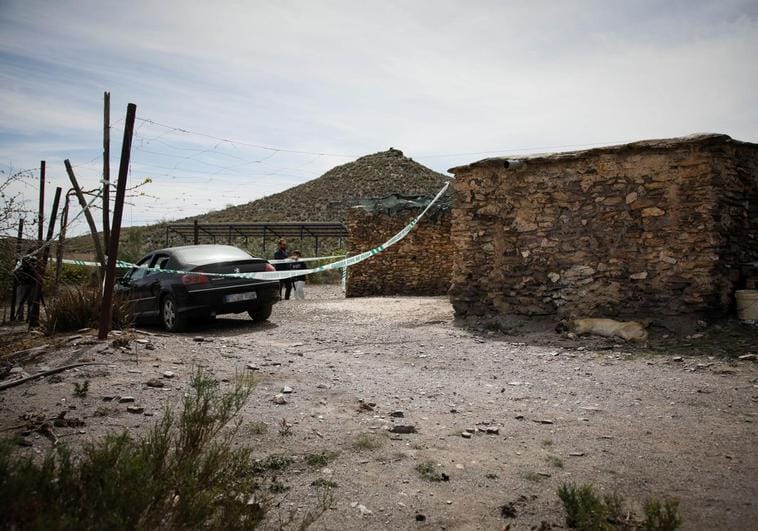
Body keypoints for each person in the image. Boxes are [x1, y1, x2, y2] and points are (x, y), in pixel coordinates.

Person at [13, 248, 39, 321]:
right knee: (30, 302)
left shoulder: (23, 260)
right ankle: (28, 317)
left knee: (22, 302)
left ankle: (20, 317)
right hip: (30, 283)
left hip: (24, 283)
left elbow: (15, 271)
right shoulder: (36, 261)